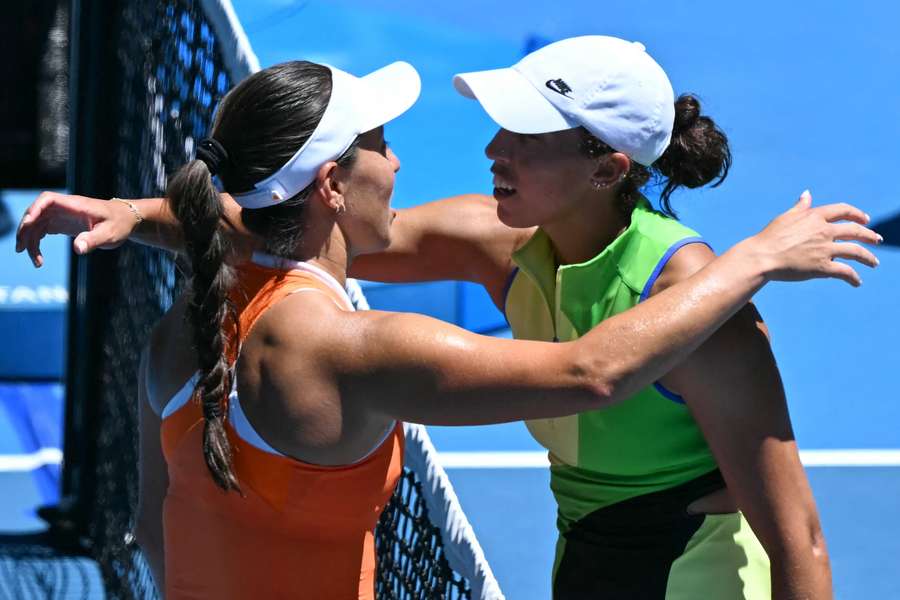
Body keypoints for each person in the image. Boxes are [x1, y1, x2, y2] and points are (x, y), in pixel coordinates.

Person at [16, 45, 880, 600]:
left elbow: (799, 537)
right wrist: (754, 258)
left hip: (693, 576)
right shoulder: (480, 255)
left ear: (608, 168)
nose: (492, 149)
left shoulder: (704, 311)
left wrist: (140, 212)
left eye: (527, 134)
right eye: (502, 125)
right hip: (586, 562)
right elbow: (592, 372)